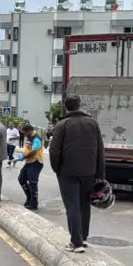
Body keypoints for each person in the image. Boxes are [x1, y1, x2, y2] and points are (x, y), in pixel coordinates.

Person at [49, 95, 105, 253]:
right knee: (84, 205)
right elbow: (100, 150)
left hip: (68, 172)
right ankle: (83, 237)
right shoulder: (92, 123)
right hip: (89, 172)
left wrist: (57, 168)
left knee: (72, 205)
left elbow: (54, 151)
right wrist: (100, 173)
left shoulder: (62, 124)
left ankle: (76, 242)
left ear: (66, 107)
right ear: (79, 105)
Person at [16, 124, 44, 210]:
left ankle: (34, 203)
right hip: (29, 162)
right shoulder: (29, 137)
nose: (24, 135)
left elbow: (33, 152)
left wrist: (24, 157)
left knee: (32, 183)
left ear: (29, 131)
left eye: (24, 133)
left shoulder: (36, 138)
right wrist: (23, 153)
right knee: (21, 179)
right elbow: (28, 149)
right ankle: (29, 197)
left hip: (36, 162)